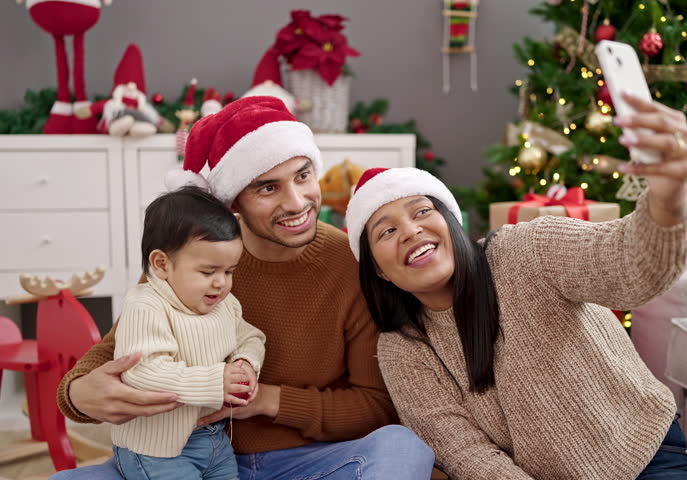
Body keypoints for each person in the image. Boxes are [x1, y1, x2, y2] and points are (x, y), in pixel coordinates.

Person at [51, 96, 435, 480]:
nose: (297, 201)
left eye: (303, 175)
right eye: (268, 188)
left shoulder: (349, 263)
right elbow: (114, 350)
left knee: (401, 449)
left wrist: (267, 401)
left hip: (303, 464)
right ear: (234, 199)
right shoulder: (190, 255)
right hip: (185, 459)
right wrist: (78, 394)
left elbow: (375, 406)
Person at [344, 93, 687, 479]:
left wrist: (669, 200)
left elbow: (630, 266)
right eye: (386, 231)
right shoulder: (403, 348)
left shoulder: (527, 249)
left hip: (649, 455)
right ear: (379, 271)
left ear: (452, 222)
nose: (411, 230)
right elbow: (466, 454)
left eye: (421, 211)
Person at [111, 186, 265, 480]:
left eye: (229, 271)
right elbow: (142, 372)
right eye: (208, 272)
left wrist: (246, 363)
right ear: (162, 265)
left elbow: (251, 337)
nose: (221, 283)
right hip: (155, 450)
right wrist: (215, 380)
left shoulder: (224, 305)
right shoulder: (145, 305)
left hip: (212, 438)